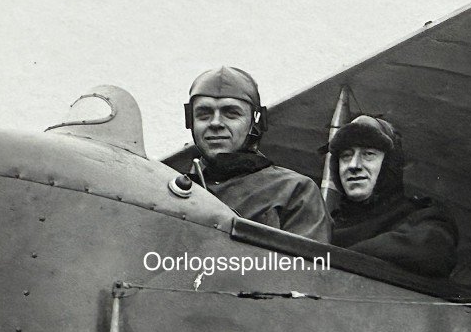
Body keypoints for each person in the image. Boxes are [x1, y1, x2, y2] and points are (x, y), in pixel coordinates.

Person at [185, 67, 331, 243]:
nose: (216, 123)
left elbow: (304, 269)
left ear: (255, 121)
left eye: (231, 113)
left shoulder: (295, 191)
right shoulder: (177, 192)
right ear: (190, 121)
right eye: (204, 114)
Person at [328, 115, 457, 277]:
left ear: (390, 164)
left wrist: (331, 257)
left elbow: (434, 253)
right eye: (346, 155)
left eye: (368, 154)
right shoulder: (327, 225)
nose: (354, 165)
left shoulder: (423, 218)